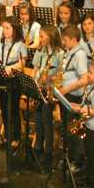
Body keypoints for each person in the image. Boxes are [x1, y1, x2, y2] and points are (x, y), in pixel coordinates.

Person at [69, 61, 94, 188]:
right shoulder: (92, 86)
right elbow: (87, 104)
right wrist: (75, 105)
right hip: (88, 123)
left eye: (91, 73)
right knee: (89, 152)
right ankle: (89, 178)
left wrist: (80, 110)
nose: (88, 74)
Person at [57, 25, 89, 171]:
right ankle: (69, 157)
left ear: (74, 40)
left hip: (72, 96)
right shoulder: (70, 52)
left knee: (73, 129)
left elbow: (84, 79)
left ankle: (78, 161)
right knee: (66, 127)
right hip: (65, 94)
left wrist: (66, 90)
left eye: (65, 40)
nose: (63, 43)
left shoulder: (80, 55)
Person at [0, 17, 27, 148]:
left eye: (7, 28)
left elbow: (22, 62)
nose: (4, 31)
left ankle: (17, 137)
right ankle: (7, 135)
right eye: (3, 28)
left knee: (13, 109)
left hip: (14, 79)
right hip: (2, 76)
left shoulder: (20, 44)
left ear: (15, 29)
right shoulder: (0, 43)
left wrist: (12, 69)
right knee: (4, 109)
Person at [31, 25, 64, 163]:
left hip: (50, 90)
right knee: (38, 119)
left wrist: (51, 79)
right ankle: (38, 146)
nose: (40, 39)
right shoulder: (41, 50)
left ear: (51, 37)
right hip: (39, 88)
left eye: (42, 36)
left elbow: (62, 75)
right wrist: (33, 83)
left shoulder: (60, 54)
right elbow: (35, 69)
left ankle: (48, 150)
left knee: (46, 120)